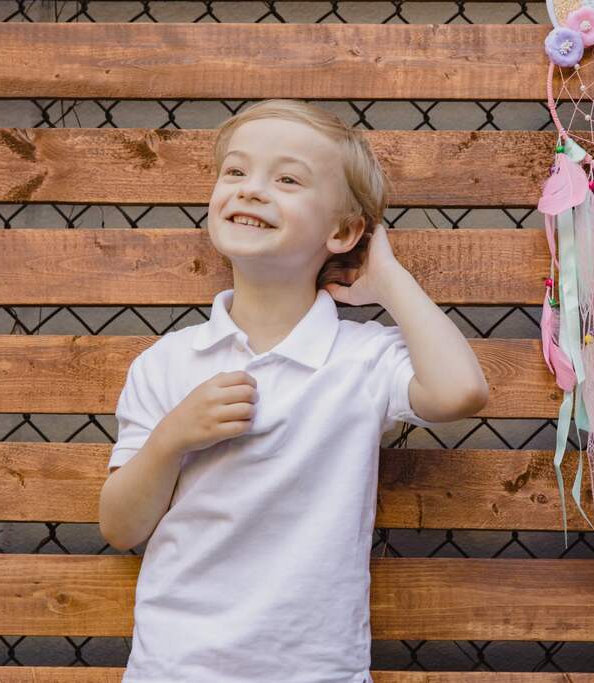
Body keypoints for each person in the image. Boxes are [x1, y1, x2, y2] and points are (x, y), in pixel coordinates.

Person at [98, 99, 489, 682]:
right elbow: (120, 527)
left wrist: (388, 278)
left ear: (343, 231)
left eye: (286, 179)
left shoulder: (363, 357)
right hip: (177, 666)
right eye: (235, 171)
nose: (251, 190)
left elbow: (461, 392)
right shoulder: (169, 362)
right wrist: (170, 440)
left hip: (314, 669)